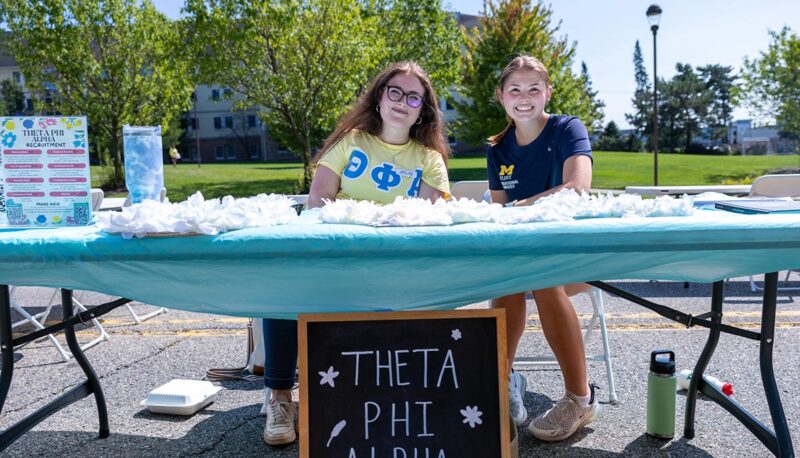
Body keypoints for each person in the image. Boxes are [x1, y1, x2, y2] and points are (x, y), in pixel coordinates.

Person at [262, 61, 451, 446]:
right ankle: (280, 396)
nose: (403, 101)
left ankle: (406, 398)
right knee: (283, 285)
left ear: (422, 111)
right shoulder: (350, 141)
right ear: (380, 97)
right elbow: (318, 200)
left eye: (413, 97)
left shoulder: (429, 159)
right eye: (395, 91)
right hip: (337, 253)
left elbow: (431, 219)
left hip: (395, 265)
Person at [486, 55, 598, 441]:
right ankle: (502, 380)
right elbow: (499, 217)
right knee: (508, 277)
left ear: (548, 92)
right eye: (514, 89)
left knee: (543, 277)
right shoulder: (498, 149)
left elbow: (578, 188)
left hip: (576, 255)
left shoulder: (568, 129)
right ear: (501, 97)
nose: (524, 96)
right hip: (524, 257)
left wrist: (520, 207)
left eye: (534, 88)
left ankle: (580, 399)